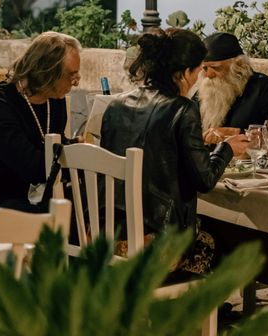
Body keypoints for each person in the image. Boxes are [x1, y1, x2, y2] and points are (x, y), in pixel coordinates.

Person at [100, 28, 248, 248]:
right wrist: (226, 148)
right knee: (224, 245)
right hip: (154, 241)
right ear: (185, 72)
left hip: (103, 231)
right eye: (199, 71)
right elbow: (205, 180)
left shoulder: (115, 105)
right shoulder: (182, 110)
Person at [0, 32, 81, 211]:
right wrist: (78, 156)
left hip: (27, 198)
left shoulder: (54, 101)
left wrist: (74, 146)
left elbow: (51, 145)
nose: (76, 83)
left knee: (88, 205)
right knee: (67, 215)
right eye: (72, 76)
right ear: (48, 72)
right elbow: (34, 167)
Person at [194, 32, 268, 142]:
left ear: (238, 66)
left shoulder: (264, 87)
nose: (208, 75)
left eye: (216, 68)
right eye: (205, 68)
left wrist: (237, 133)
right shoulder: (206, 90)